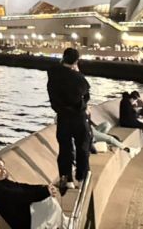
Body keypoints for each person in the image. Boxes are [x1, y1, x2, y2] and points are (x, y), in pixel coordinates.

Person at [46, 47, 92, 190]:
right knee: (82, 146)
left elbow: (53, 98)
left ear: (63, 58)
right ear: (76, 61)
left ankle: (66, 179)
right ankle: (81, 177)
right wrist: (77, 73)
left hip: (63, 117)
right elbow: (86, 93)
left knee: (65, 148)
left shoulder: (53, 75)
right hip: (78, 117)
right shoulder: (77, 77)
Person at [0, 156, 61, 229]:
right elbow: (17, 196)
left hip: (25, 213)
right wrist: (44, 191)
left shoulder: (0, 182)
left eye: (4, 168)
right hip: (21, 221)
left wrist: (44, 188)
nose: (3, 171)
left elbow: (22, 187)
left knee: (49, 201)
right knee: (49, 203)